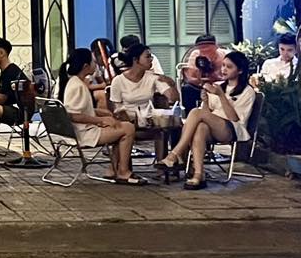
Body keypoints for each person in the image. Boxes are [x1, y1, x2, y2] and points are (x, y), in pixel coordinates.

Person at [162, 50, 257, 189]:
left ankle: (175, 153)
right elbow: (206, 113)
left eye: (229, 67)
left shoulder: (247, 92)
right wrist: (205, 101)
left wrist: (221, 96)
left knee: (196, 112)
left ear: (240, 70)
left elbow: (234, 118)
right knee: (200, 128)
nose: (224, 69)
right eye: (223, 65)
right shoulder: (218, 85)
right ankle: (199, 174)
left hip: (233, 128)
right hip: (213, 125)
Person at [58, 47, 146, 185]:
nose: (96, 65)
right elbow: (73, 115)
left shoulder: (75, 82)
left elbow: (81, 110)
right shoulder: (78, 86)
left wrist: (101, 113)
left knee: (121, 127)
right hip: (84, 133)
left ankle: (113, 169)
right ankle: (123, 171)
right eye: (93, 62)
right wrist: (100, 120)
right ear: (86, 66)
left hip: (81, 130)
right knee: (128, 129)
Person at [107, 42, 179, 128]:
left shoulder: (153, 77)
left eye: (151, 57)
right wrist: (131, 124)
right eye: (147, 57)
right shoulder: (118, 81)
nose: (151, 59)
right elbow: (117, 110)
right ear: (135, 60)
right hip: (128, 122)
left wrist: (170, 83)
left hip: (150, 122)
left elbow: (173, 98)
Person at [179, 33, 225, 110]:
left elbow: (229, 77)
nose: (205, 53)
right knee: (187, 89)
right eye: (202, 50)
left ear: (215, 47)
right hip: (200, 85)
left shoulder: (224, 55)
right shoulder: (195, 55)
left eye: (209, 50)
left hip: (219, 86)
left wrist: (216, 77)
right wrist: (199, 76)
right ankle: (191, 113)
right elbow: (190, 77)